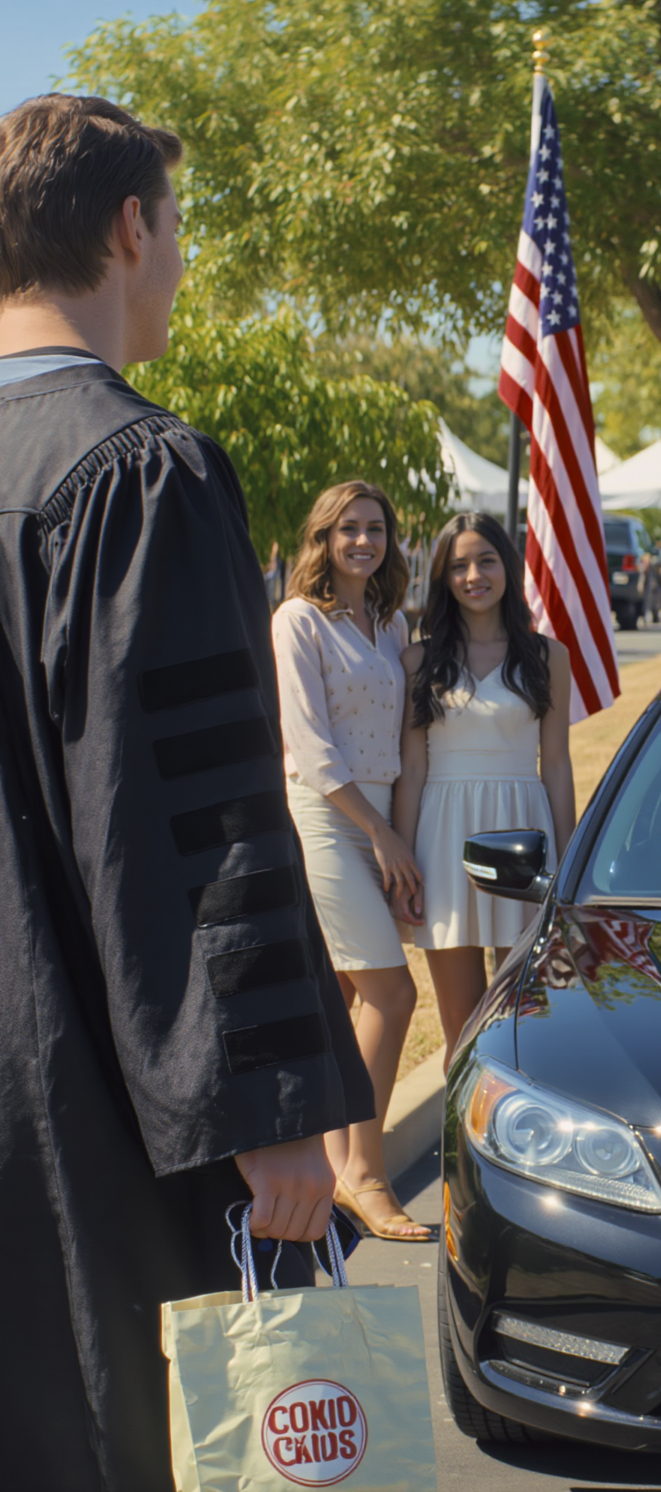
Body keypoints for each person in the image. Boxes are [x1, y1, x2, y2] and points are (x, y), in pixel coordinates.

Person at [0, 93, 372, 1488]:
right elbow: (203, 820)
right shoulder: (136, 473)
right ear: (128, 225)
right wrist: (271, 1108)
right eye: (177, 228)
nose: (179, 260)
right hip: (100, 1095)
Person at [272, 483, 432, 1242]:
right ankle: (363, 1173)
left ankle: (333, 1164)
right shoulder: (298, 620)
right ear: (323, 539)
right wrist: (379, 834)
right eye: (349, 530)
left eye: (375, 529)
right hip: (327, 818)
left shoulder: (392, 622)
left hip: (380, 823)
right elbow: (309, 746)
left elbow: (407, 740)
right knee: (393, 994)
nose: (363, 541)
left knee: (344, 996)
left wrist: (402, 843)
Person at [394, 514, 576, 1056]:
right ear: (444, 578)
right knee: (465, 1034)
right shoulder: (418, 661)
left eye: (486, 560)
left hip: (526, 837)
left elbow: (558, 765)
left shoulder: (548, 657)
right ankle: (459, 1142)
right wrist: (404, 865)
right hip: (444, 841)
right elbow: (413, 770)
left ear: (507, 566)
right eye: (458, 565)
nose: (474, 575)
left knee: (531, 1025)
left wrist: (567, 864)